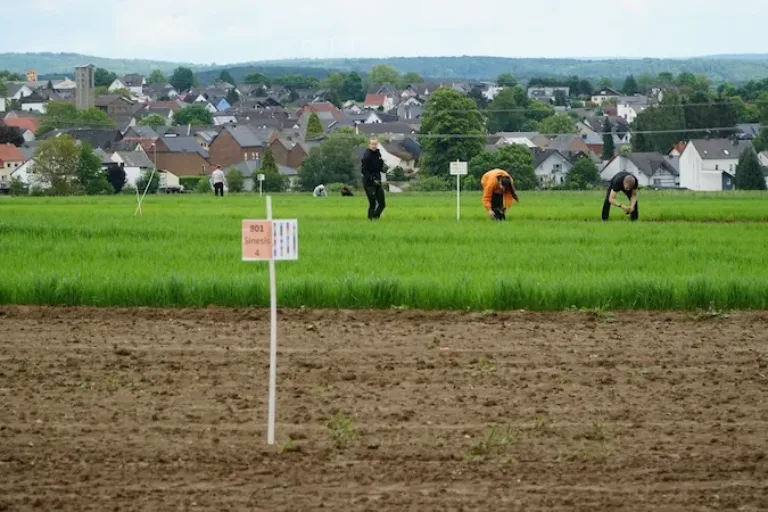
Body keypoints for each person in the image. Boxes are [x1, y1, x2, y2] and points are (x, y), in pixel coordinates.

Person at [361, 137, 386, 220]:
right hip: (369, 183)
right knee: (373, 204)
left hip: (378, 181)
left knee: (382, 204)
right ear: (369, 145)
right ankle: (370, 220)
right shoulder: (367, 155)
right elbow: (363, 170)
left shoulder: (378, 154)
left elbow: (380, 166)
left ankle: (375, 217)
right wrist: (371, 177)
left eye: (375, 144)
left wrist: (383, 169)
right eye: (372, 144)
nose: (374, 146)